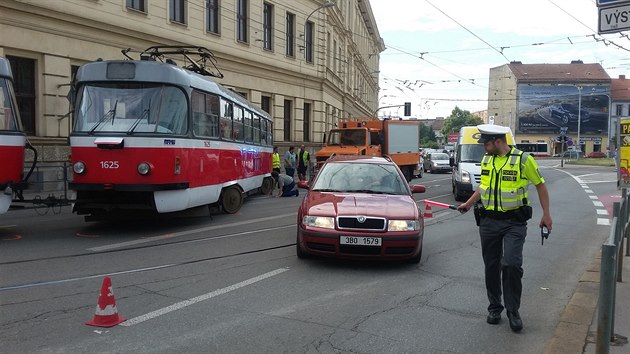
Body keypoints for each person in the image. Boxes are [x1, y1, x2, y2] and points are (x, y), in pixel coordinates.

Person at [456, 124, 552, 333]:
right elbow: (484, 187)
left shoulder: (523, 160)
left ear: (498, 141)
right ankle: (494, 308)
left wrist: (546, 214)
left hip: (514, 223)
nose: (483, 147)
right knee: (491, 266)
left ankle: (513, 310)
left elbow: (540, 185)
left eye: (486, 143)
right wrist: (469, 203)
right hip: (489, 222)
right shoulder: (487, 160)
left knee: (511, 264)